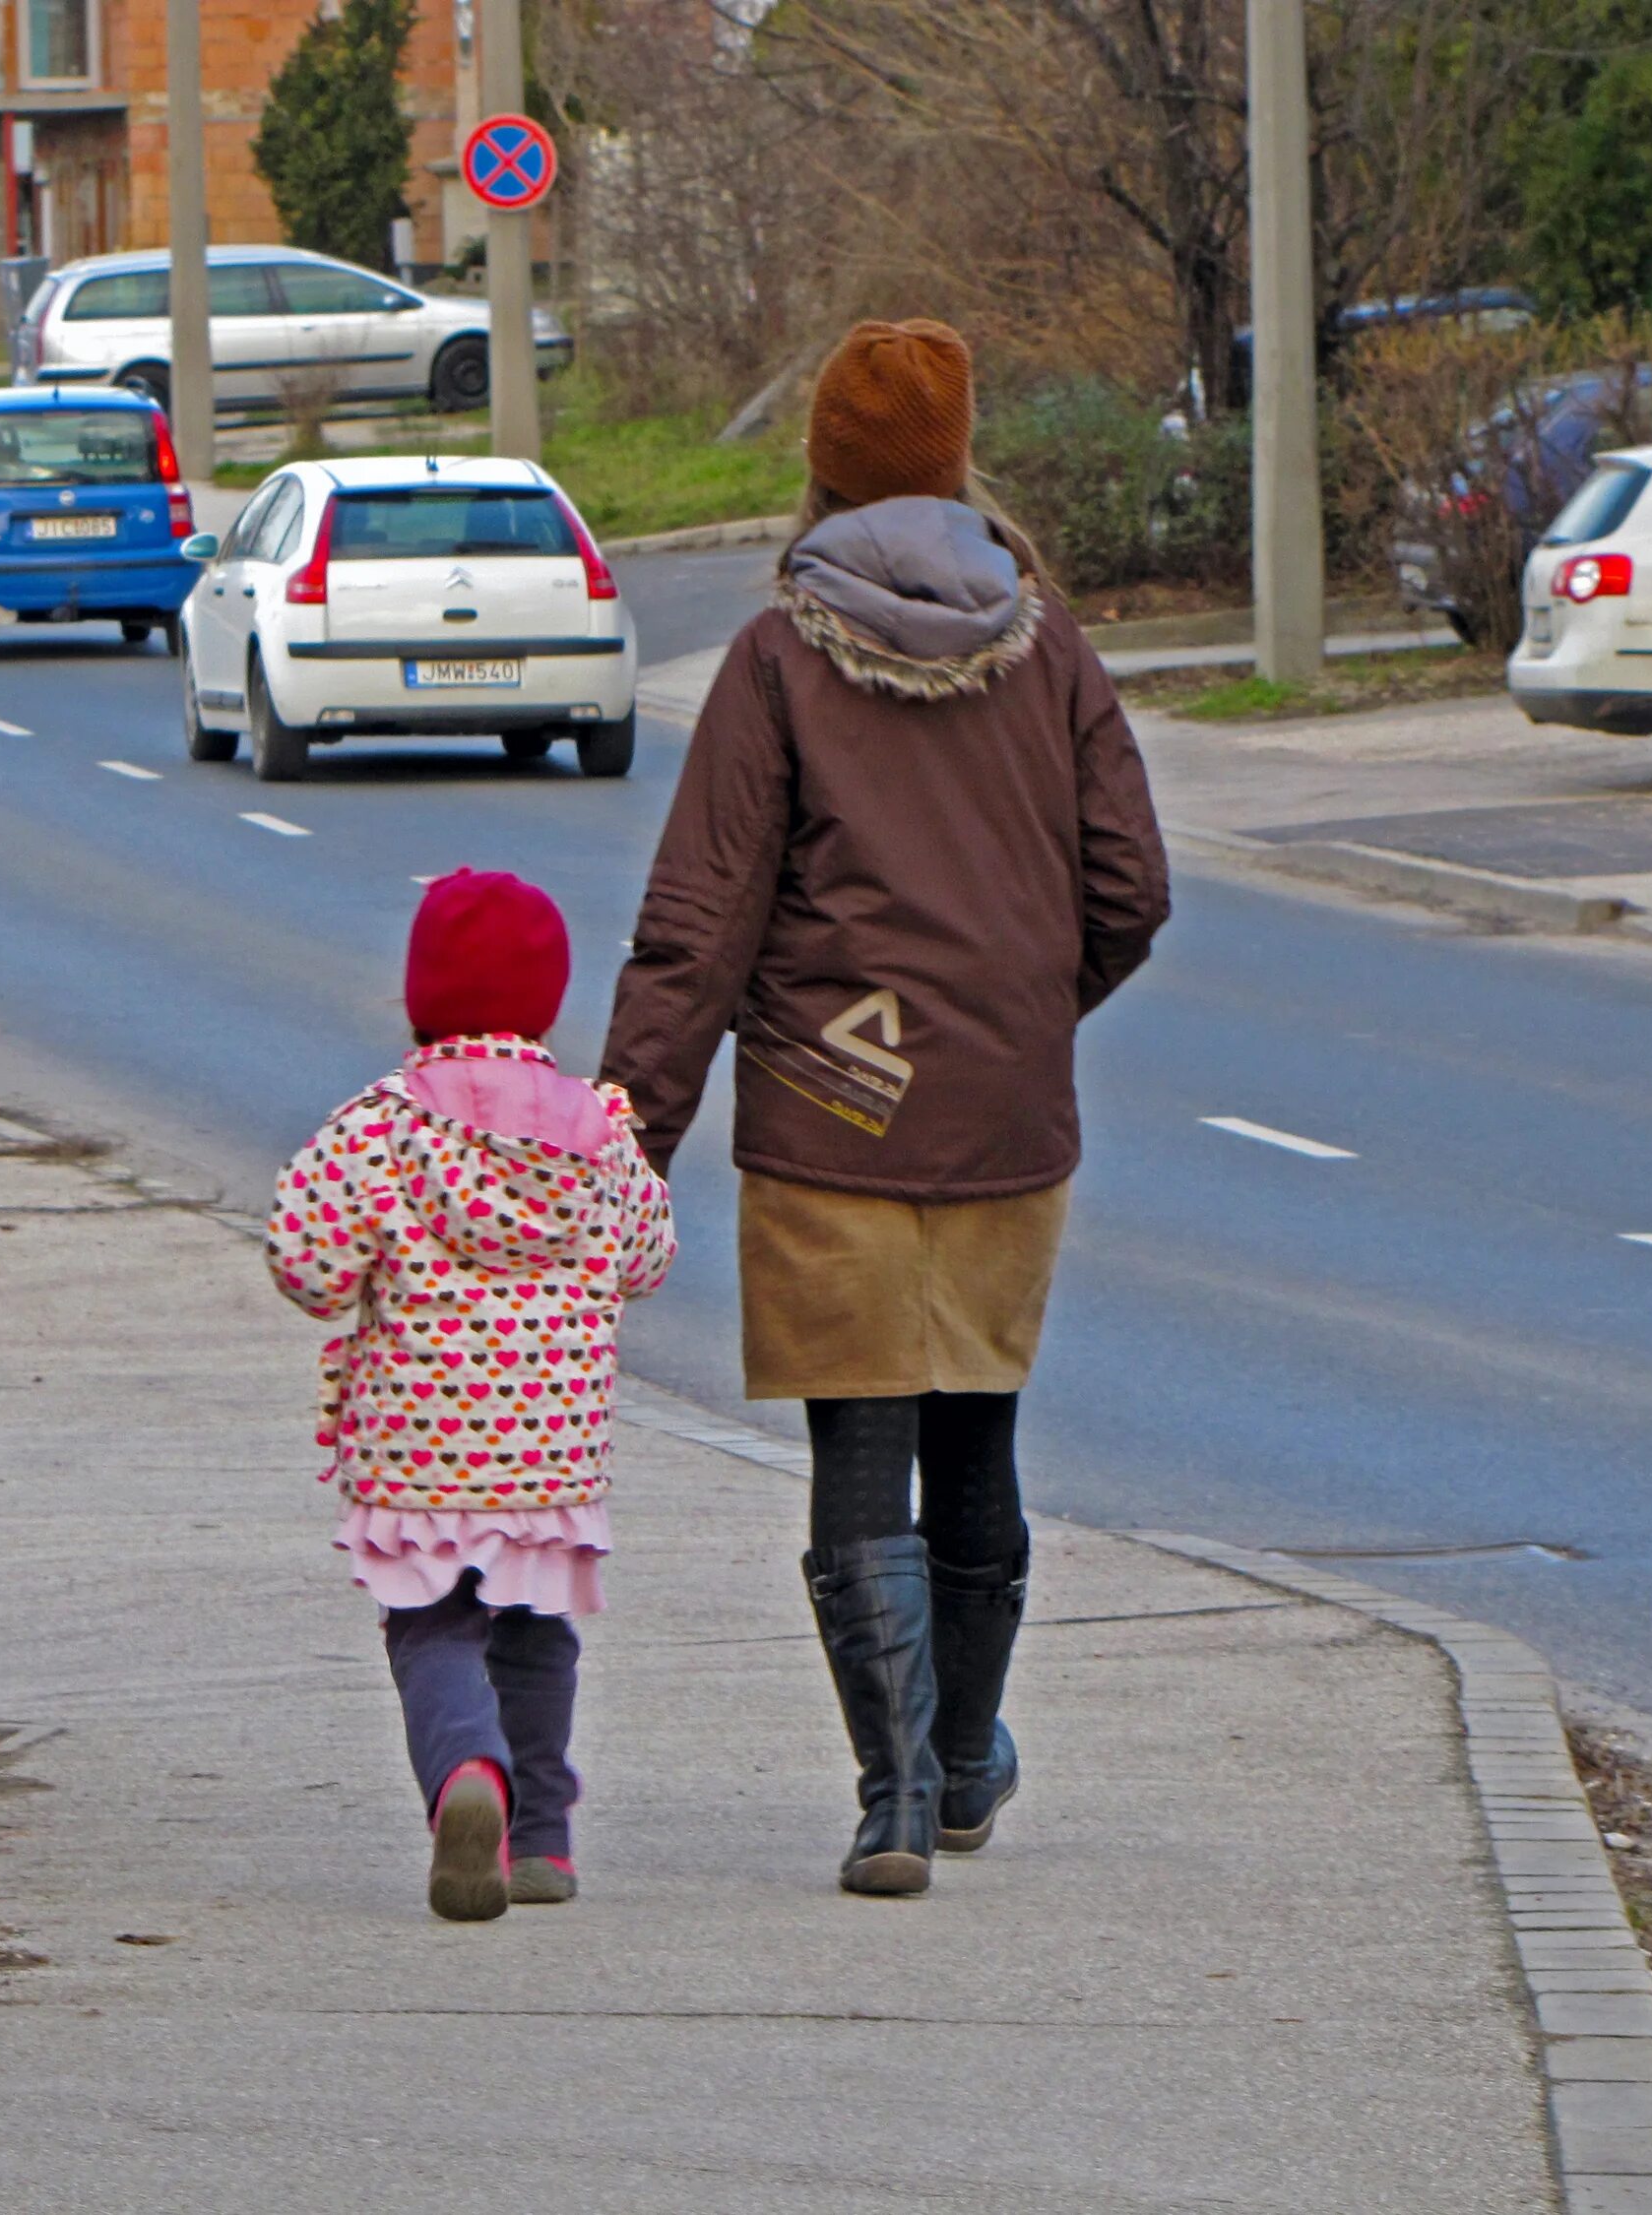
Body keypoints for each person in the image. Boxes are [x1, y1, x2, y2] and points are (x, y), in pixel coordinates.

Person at [601, 319, 1170, 1898]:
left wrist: (628, 1130)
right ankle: (971, 1761)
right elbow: (1131, 887)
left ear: (825, 467)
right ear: (956, 455)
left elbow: (700, 917)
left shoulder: (779, 655)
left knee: (863, 1433)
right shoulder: (1047, 641)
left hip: (826, 1105)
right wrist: (1021, 1016)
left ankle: (896, 1796)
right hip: (1001, 1112)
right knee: (978, 1423)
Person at [267, 869, 676, 1923]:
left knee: (435, 1626)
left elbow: (307, 1265)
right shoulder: (600, 1131)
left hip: (419, 1441)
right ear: (546, 999)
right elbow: (648, 1257)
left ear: (421, 995)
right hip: (551, 1442)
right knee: (537, 1629)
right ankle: (541, 1838)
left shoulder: (378, 1128)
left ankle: (468, 1780)